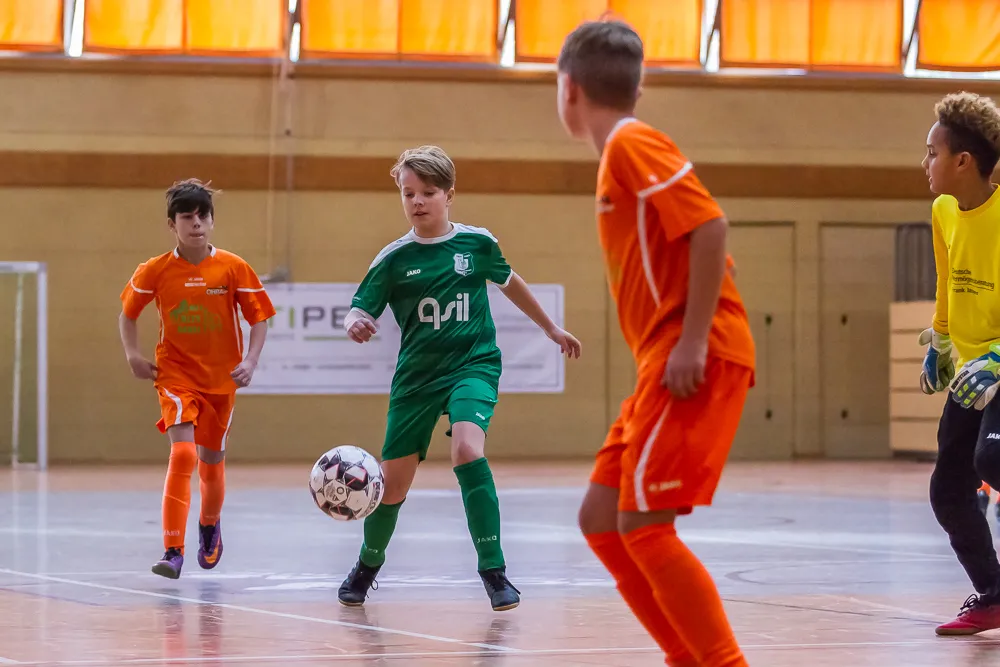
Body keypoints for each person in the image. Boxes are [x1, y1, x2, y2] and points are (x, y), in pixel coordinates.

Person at [556, 19, 756, 667]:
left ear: (568, 89)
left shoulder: (629, 143)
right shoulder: (621, 149)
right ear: (636, 88)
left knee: (644, 525)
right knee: (600, 516)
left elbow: (710, 227)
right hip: (659, 362)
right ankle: (686, 656)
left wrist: (692, 342)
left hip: (691, 352)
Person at [336, 145, 581, 611]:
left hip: (474, 364)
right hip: (417, 378)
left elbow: (510, 281)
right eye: (409, 193)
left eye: (428, 192)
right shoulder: (393, 258)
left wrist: (550, 328)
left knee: (468, 449)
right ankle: (367, 565)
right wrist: (355, 323)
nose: (417, 201)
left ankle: (494, 571)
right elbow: (359, 308)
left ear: (449, 195)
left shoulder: (477, 244)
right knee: (393, 484)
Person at [119, 179, 276, 579]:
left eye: (203, 216)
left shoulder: (233, 267)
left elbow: (259, 318)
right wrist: (133, 354)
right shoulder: (155, 270)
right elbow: (128, 314)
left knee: (211, 462)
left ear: (212, 221)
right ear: (172, 225)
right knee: (184, 453)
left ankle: (209, 523)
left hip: (221, 381)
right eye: (187, 217)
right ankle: (173, 550)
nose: (196, 224)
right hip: (175, 375)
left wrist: (251, 361)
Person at [919, 91, 1000, 635]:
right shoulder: (943, 211)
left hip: (998, 366)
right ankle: (994, 594)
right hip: (971, 373)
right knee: (948, 489)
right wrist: (941, 342)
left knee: (994, 461)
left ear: (964, 161)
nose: (925, 163)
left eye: (933, 153)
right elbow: (948, 280)